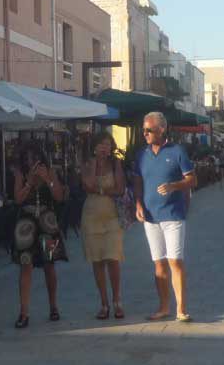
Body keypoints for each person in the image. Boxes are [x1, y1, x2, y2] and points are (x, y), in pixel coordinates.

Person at [134, 112, 196, 322]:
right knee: (158, 263)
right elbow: (138, 180)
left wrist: (173, 186)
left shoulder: (177, 151)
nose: (145, 134)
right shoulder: (142, 154)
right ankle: (163, 307)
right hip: (150, 217)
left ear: (162, 129)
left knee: (175, 261)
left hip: (173, 215)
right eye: (143, 130)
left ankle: (181, 309)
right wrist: (138, 204)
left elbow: (192, 179)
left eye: (149, 130)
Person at [11, 142, 67, 329]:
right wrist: (28, 183)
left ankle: (53, 306)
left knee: (49, 265)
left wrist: (48, 180)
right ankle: (24, 312)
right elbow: (17, 199)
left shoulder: (50, 172)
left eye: (34, 157)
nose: (31, 161)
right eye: (28, 158)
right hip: (26, 222)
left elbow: (59, 197)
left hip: (46, 222)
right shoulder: (20, 174)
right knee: (25, 265)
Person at [80, 132, 126, 320]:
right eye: (101, 144)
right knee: (97, 261)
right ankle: (104, 303)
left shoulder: (116, 163)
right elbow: (87, 185)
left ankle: (117, 301)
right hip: (91, 217)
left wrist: (100, 190)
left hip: (112, 217)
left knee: (113, 259)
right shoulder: (87, 164)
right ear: (94, 146)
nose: (105, 148)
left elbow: (120, 189)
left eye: (108, 144)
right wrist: (96, 164)